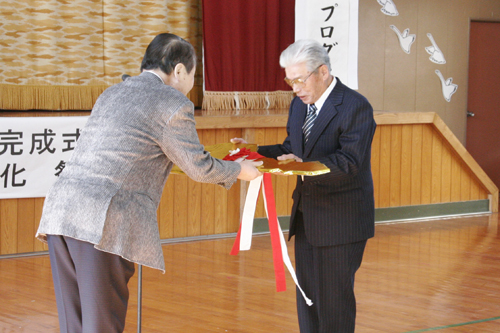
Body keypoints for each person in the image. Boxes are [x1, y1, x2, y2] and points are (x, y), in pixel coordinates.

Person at [35, 32, 262, 333]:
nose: (191, 85)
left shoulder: (113, 92)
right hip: (102, 220)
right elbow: (198, 166)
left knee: (74, 324)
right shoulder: (171, 101)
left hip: (60, 212)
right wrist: (239, 170)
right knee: (101, 324)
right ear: (179, 70)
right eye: (193, 75)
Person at [232, 39, 376, 332]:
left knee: (333, 305)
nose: (294, 88)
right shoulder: (299, 105)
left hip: (341, 222)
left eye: (299, 80)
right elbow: (291, 148)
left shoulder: (355, 106)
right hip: (307, 218)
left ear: (322, 72)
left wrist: (298, 165)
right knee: (308, 299)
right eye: (290, 80)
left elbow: (349, 162)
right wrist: (253, 151)